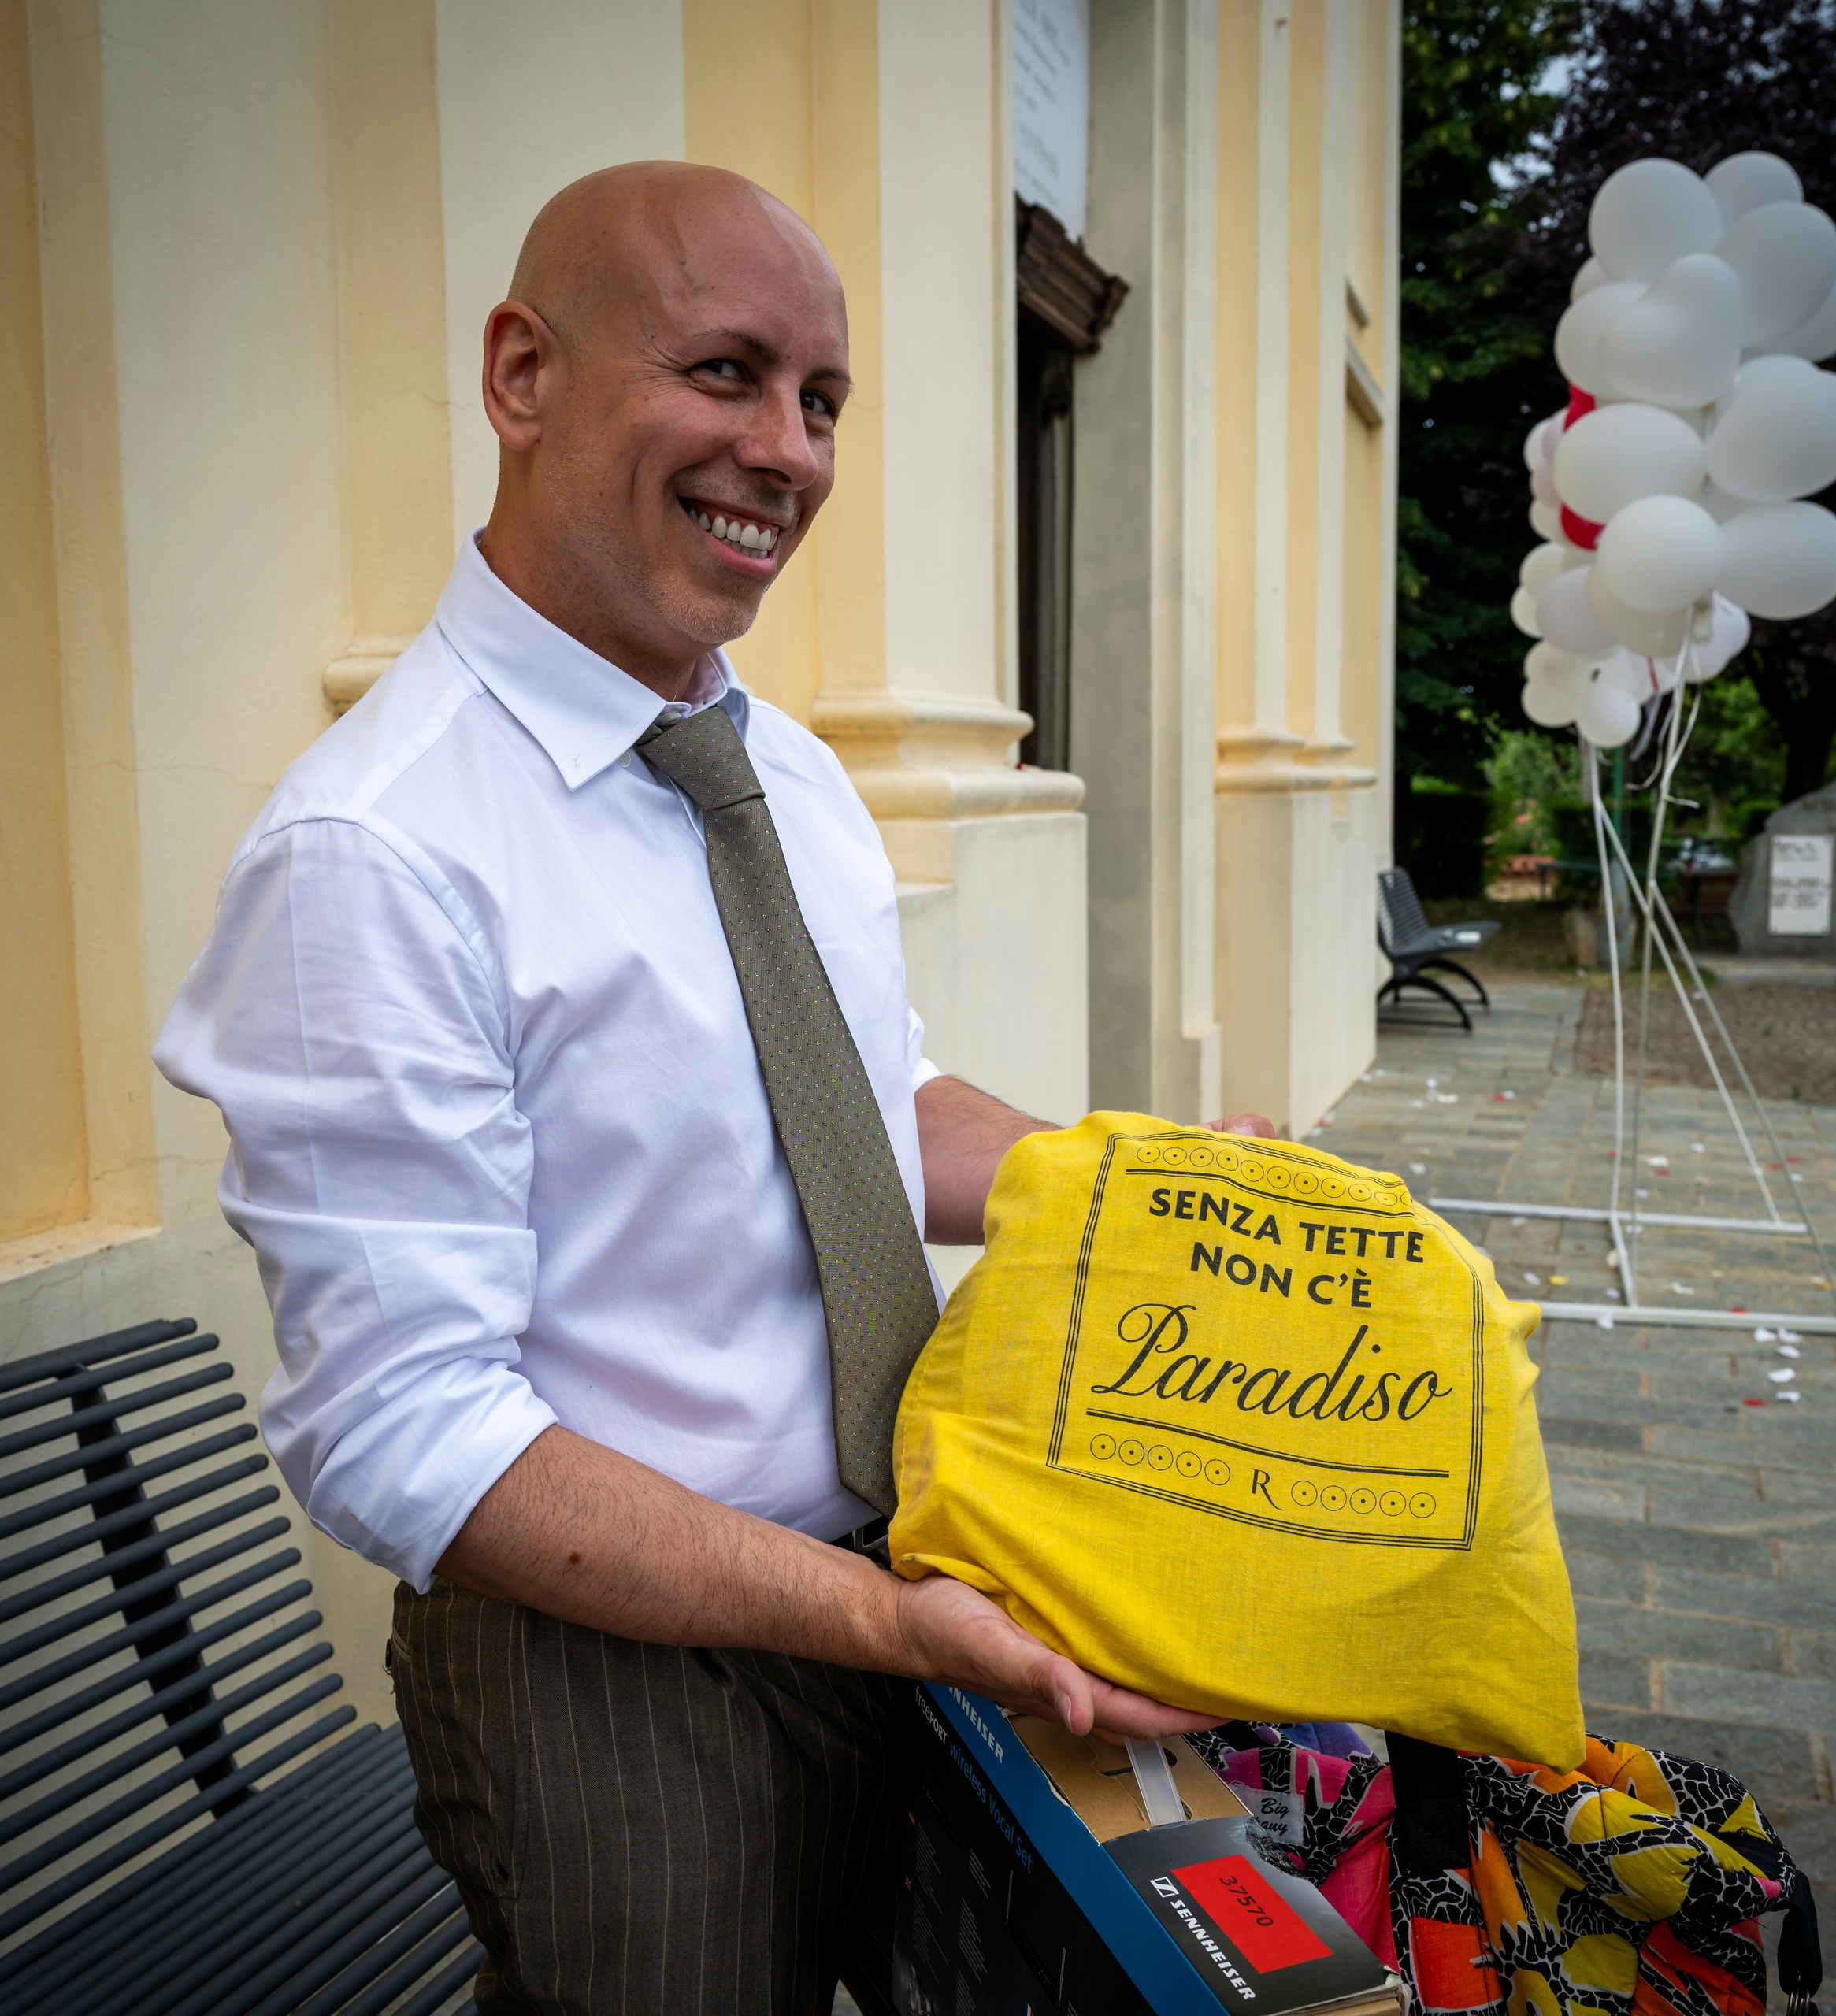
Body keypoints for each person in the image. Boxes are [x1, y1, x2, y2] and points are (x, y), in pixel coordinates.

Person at [157, 162, 1271, 2014]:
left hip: (891, 1590)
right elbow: (406, 1428)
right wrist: (882, 1620)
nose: (789, 451)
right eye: (727, 373)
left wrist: (1133, 1189)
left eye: (821, 399)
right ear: (521, 375)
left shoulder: (780, 768)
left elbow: (856, 1101)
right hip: (616, 1691)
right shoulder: (374, 847)